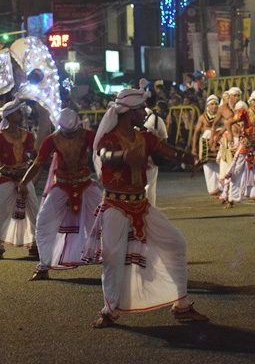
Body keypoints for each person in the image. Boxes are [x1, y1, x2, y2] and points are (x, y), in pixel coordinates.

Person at [83, 88, 208, 328]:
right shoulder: (109, 137)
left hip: (141, 204)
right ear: (130, 112)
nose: (145, 112)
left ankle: (181, 305)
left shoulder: (145, 136)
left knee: (176, 244)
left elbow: (167, 151)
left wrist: (190, 159)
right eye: (141, 109)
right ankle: (108, 310)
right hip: (115, 205)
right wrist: (122, 156)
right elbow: (104, 154)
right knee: (112, 257)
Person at [20, 108, 102, 280]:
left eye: (74, 132)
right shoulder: (52, 140)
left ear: (78, 124)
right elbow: (38, 163)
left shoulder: (88, 134)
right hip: (62, 186)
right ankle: (43, 266)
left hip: (86, 184)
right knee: (43, 223)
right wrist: (23, 182)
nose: (71, 136)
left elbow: (103, 153)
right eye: (67, 133)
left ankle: (113, 260)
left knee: (106, 219)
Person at [0, 99, 39, 259]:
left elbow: (33, 157)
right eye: (17, 112)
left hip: (25, 176)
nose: (21, 114)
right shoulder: (0, 137)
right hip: (5, 178)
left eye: (20, 111)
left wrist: (24, 177)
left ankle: (35, 244)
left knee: (34, 210)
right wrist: (11, 174)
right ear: (8, 116)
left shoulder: (28, 135)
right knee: (1, 211)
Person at [223, 90, 255, 208]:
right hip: (245, 144)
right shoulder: (244, 113)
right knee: (236, 170)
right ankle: (231, 198)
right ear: (251, 102)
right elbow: (228, 122)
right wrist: (230, 136)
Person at [210, 87, 241, 202]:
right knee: (226, 167)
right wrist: (213, 138)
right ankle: (225, 192)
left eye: (238, 96)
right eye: (234, 96)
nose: (236, 98)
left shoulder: (242, 107)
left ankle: (232, 193)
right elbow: (215, 124)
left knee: (238, 168)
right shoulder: (222, 109)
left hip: (240, 139)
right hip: (227, 141)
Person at [143, 86, 168, 206]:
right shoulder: (158, 120)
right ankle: (149, 209)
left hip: (133, 155)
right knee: (150, 184)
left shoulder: (131, 117)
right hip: (151, 156)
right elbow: (164, 139)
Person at [192, 94, 221, 195]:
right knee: (208, 166)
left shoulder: (221, 116)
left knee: (219, 163)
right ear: (208, 106)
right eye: (212, 104)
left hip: (219, 141)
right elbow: (196, 132)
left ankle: (221, 187)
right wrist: (194, 148)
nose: (214, 106)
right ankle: (212, 189)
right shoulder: (202, 117)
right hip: (205, 142)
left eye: (216, 104)